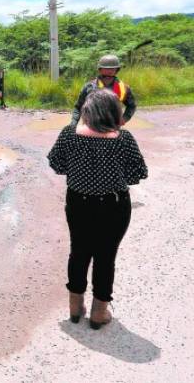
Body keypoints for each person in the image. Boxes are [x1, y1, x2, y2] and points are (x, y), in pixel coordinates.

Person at [48, 90, 147, 329]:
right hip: (113, 205)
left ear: (87, 112)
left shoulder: (69, 134)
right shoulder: (124, 139)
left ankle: (75, 307)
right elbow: (138, 174)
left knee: (79, 251)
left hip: (78, 203)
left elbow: (57, 164)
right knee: (105, 256)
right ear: (114, 113)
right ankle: (99, 312)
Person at [71, 54, 136, 126]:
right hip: (91, 126)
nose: (109, 71)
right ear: (100, 69)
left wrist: (124, 118)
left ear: (117, 70)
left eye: (112, 69)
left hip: (113, 126)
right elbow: (78, 107)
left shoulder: (123, 88)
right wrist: (73, 124)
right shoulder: (89, 87)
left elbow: (131, 106)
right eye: (106, 68)